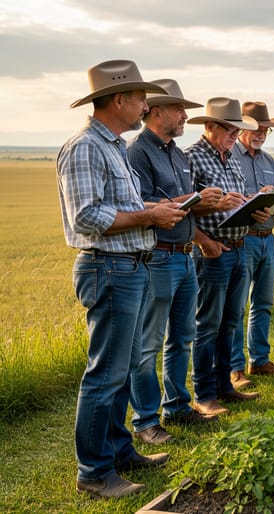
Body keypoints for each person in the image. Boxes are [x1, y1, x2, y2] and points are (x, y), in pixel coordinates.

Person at [58, 59, 184, 498]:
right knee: (104, 375)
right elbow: (88, 216)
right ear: (118, 99)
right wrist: (151, 214)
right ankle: (93, 472)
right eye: (140, 97)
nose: (145, 104)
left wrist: (157, 214)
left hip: (129, 267)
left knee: (123, 370)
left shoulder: (112, 145)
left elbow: (123, 211)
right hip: (107, 268)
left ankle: (118, 451)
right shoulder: (86, 147)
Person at [126, 79, 221, 445]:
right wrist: (196, 197)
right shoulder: (138, 152)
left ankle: (177, 407)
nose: (185, 116)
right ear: (157, 111)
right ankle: (146, 421)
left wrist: (205, 201)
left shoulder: (176, 153)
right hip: (158, 257)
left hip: (184, 257)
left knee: (182, 338)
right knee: (149, 343)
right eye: (180, 109)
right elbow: (143, 204)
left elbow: (185, 204)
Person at [185, 97, 266, 416]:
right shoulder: (191, 157)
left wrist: (254, 206)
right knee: (208, 324)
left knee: (231, 321)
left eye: (237, 129)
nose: (235, 134)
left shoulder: (232, 158)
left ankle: (224, 386)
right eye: (229, 129)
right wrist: (205, 241)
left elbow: (234, 201)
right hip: (213, 250)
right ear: (209, 126)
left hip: (239, 246)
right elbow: (183, 209)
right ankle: (204, 394)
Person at [230, 101, 274, 387]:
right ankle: (235, 368)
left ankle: (260, 360)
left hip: (268, 238)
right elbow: (229, 199)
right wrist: (257, 195)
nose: (262, 134)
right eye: (257, 129)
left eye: (266, 130)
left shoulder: (268, 161)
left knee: (263, 303)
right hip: (243, 239)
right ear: (243, 128)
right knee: (237, 306)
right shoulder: (229, 156)